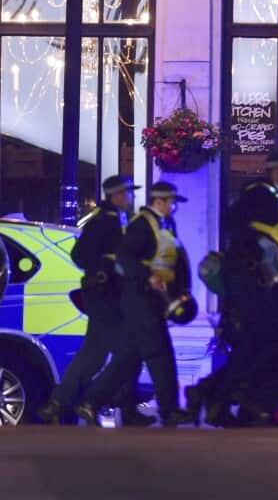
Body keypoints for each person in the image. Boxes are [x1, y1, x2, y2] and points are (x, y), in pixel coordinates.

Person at [76, 181, 194, 427]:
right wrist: (146, 276)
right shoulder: (141, 225)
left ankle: (90, 402)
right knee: (160, 354)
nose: (175, 208)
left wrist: (179, 291)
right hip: (140, 300)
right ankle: (169, 410)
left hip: (153, 300)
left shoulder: (165, 224)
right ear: (158, 202)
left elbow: (173, 260)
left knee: (129, 358)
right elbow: (125, 259)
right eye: (172, 203)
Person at [37, 175, 152, 427]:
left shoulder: (119, 219)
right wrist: (106, 266)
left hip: (113, 295)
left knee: (94, 355)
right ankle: (94, 403)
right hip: (103, 295)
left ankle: (58, 404)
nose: (130, 197)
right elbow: (80, 255)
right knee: (128, 352)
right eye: (127, 193)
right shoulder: (101, 221)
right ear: (116, 195)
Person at [220, 150, 278, 426]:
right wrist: (257, 248)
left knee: (261, 342)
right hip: (253, 282)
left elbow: (277, 238)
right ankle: (235, 396)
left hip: (265, 282)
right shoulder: (259, 194)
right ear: (276, 171)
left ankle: (251, 407)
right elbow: (235, 226)